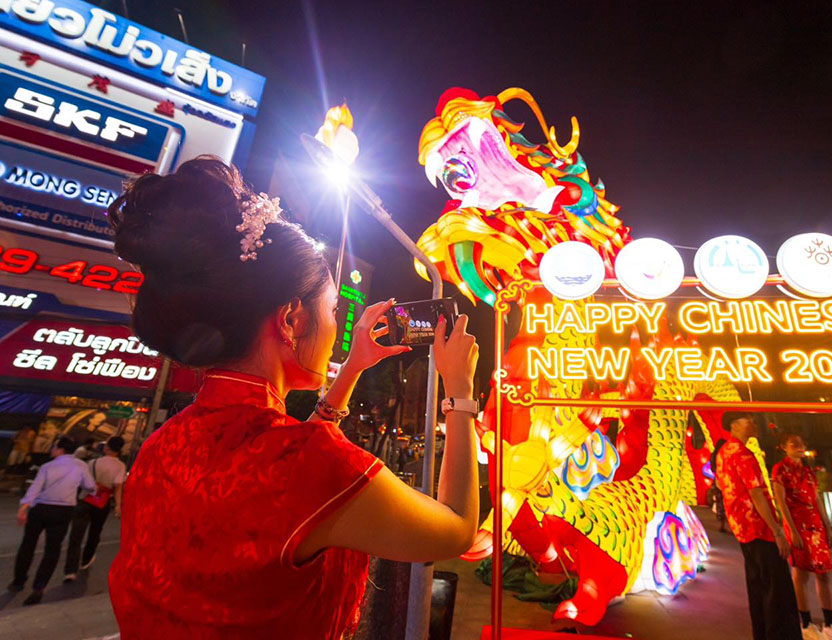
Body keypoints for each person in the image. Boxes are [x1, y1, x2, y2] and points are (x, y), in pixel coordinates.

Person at [106, 158, 480, 639]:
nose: (336, 326)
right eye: (331, 310)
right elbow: (456, 529)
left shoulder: (164, 445)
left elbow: (287, 477)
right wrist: (461, 395)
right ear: (291, 321)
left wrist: (352, 369)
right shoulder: (310, 463)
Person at [715, 411, 802, 640]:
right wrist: (777, 531)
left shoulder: (724, 452)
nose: (753, 423)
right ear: (733, 425)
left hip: (742, 528)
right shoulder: (743, 454)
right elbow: (756, 494)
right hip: (759, 528)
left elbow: (720, 482)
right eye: (747, 420)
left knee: (758, 586)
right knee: (776, 590)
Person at [772, 434, 832, 640]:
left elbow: (816, 498)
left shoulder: (808, 471)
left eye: (801, 443)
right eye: (792, 443)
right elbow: (781, 502)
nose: (798, 446)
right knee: (801, 574)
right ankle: (806, 624)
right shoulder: (780, 469)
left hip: (816, 526)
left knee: (823, 574)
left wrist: (827, 526)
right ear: (783, 447)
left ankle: (830, 624)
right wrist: (792, 530)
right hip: (797, 524)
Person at [8, 436, 96, 605]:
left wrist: (24, 507)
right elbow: (90, 486)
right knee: (52, 549)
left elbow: (35, 488)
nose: (52, 449)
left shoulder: (47, 467)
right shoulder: (80, 466)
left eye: (54, 447)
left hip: (40, 508)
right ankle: (39, 587)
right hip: (63, 511)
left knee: (28, 544)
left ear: (60, 449)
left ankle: (18, 581)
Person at [63, 435, 127, 580]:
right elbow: (118, 488)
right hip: (102, 504)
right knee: (94, 534)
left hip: (85, 500)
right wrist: (118, 506)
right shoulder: (120, 466)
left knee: (76, 536)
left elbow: (82, 481)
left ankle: (70, 571)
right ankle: (86, 560)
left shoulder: (92, 462)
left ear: (106, 447)